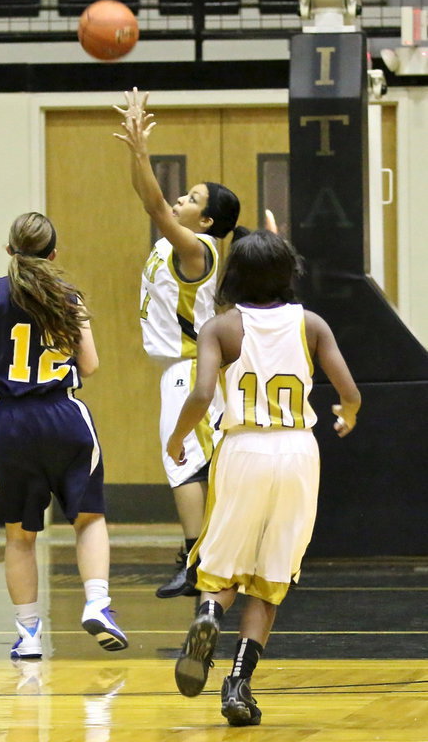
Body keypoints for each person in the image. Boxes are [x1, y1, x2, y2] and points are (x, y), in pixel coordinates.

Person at [166, 229, 361, 726]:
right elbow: (350, 390)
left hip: (244, 448)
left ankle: (208, 616)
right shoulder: (311, 323)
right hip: (297, 451)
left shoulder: (221, 327)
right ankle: (238, 684)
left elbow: (200, 392)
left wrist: (177, 439)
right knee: (269, 579)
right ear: (287, 275)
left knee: (221, 565)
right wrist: (348, 413)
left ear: (233, 277)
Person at [0, 212, 128, 659]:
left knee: (20, 534)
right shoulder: (69, 296)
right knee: (89, 517)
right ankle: (97, 602)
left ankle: (29, 636)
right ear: (54, 255)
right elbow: (91, 365)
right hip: (64, 416)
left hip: (10, 422)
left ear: (9, 251)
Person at [114, 88, 241, 599]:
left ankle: (199, 559)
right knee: (184, 461)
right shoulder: (177, 241)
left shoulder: (199, 248)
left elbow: (151, 203)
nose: (179, 201)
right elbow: (149, 201)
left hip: (193, 368)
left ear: (207, 221)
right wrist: (134, 153)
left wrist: (140, 149)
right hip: (176, 369)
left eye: (191, 199)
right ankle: (202, 556)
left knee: (188, 460)